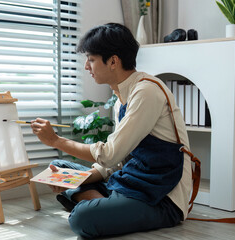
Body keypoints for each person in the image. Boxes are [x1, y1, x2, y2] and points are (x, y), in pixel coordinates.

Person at [30, 23, 192, 239]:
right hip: (130, 181)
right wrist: (76, 177)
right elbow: (117, 161)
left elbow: (109, 154)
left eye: (91, 59)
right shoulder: (120, 97)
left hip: (160, 196)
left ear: (113, 61)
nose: (86, 66)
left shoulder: (146, 92)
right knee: (58, 170)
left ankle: (97, 204)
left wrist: (56, 141)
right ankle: (104, 204)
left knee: (81, 219)